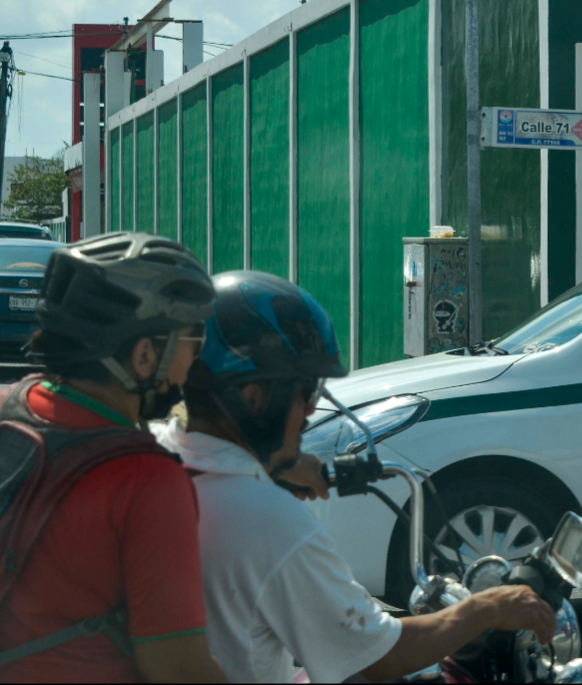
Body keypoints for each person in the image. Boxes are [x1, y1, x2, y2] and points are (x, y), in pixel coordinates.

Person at [156, 271, 555, 683]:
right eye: (305, 392)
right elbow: (378, 657)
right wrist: (484, 609)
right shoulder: (268, 521)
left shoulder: (154, 463)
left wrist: (269, 464)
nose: (311, 410)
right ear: (253, 398)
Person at [0, 232, 226, 683]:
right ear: (144, 356)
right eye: (192, 342)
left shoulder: (11, 403)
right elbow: (178, 668)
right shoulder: (149, 482)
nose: (194, 364)